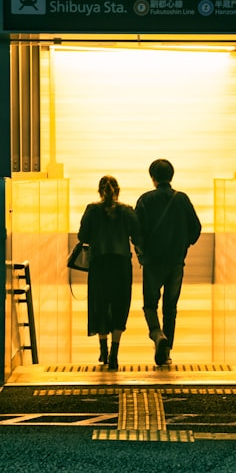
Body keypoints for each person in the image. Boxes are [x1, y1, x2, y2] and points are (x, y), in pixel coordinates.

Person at [134, 159, 201, 367]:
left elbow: (136, 232)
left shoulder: (145, 200)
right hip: (175, 262)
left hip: (153, 262)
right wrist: (183, 245)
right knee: (170, 308)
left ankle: (157, 335)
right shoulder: (182, 199)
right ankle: (167, 351)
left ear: (152, 178)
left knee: (150, 305)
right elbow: (196, 228)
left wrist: (142, 252)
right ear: (170, 176)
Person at [77, 175, 141, 370]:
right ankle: (114, 353)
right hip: (121, 265)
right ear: (118, 190)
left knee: (100, 304)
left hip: (99, 264)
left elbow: (82, 235)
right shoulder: (127, 211)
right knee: (120, 305)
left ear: (100, 191)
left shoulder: (91, 210)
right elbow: (137, 235)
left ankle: (103, 350)